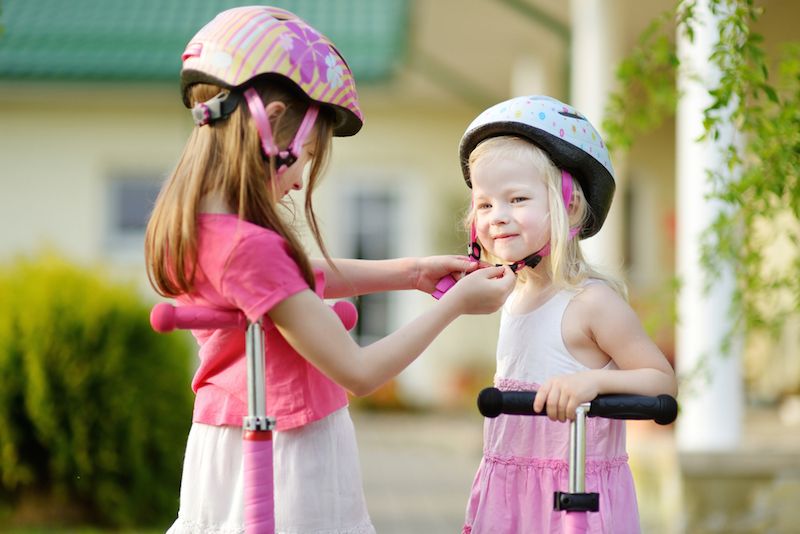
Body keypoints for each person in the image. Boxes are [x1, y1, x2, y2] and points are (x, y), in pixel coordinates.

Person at [144, 6, 515, 534]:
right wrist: (457, 304)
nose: (299, 183)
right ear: (270, 126)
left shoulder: (198, 226)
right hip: (285, 459)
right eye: (306, 157)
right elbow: (359, 373)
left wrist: (409, 272)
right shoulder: (248, 247)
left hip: (222, 450)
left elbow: (290, 278)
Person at [457, 95, 678, 534]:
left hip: (574, 499)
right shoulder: (514, 295)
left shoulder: (590, 302)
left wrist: (593, 382)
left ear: (570, 205)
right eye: (484, 204)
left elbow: (661, 380)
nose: (497, 217)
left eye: (517, 198)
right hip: (509, 495)